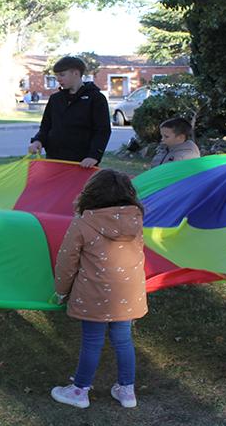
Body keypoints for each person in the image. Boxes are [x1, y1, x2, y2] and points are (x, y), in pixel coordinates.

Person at [50, 169, 147, 409]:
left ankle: (79, 391)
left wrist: (61, 291)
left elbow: (66, 262)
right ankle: (127, 391)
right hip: (127, 296)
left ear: (91, 195)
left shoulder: (83, 223)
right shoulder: (136, 220)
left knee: (92, 342)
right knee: (123, 340)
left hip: (94, 295)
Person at [28, 56, 111, 168]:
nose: (58, 79)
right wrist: (38, 141)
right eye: (56, 75)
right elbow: (46, 126)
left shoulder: (96, 98)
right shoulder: (55, 99)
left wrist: (94, 156)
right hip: (54, 159)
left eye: (62, 75)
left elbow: (103, 131)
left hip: (83, 162)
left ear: (76, 73)